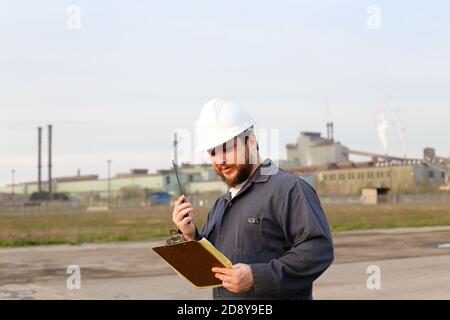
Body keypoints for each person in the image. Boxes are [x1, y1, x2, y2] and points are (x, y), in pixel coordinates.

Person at [172, 98, 334, 299]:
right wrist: (191, 236)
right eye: (213, 152)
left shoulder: (288, 189)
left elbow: (318, 250)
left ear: (251, 142)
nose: (220, 160)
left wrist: (257, 277)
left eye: (228, 148)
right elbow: (214, 264)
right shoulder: (221, 204)